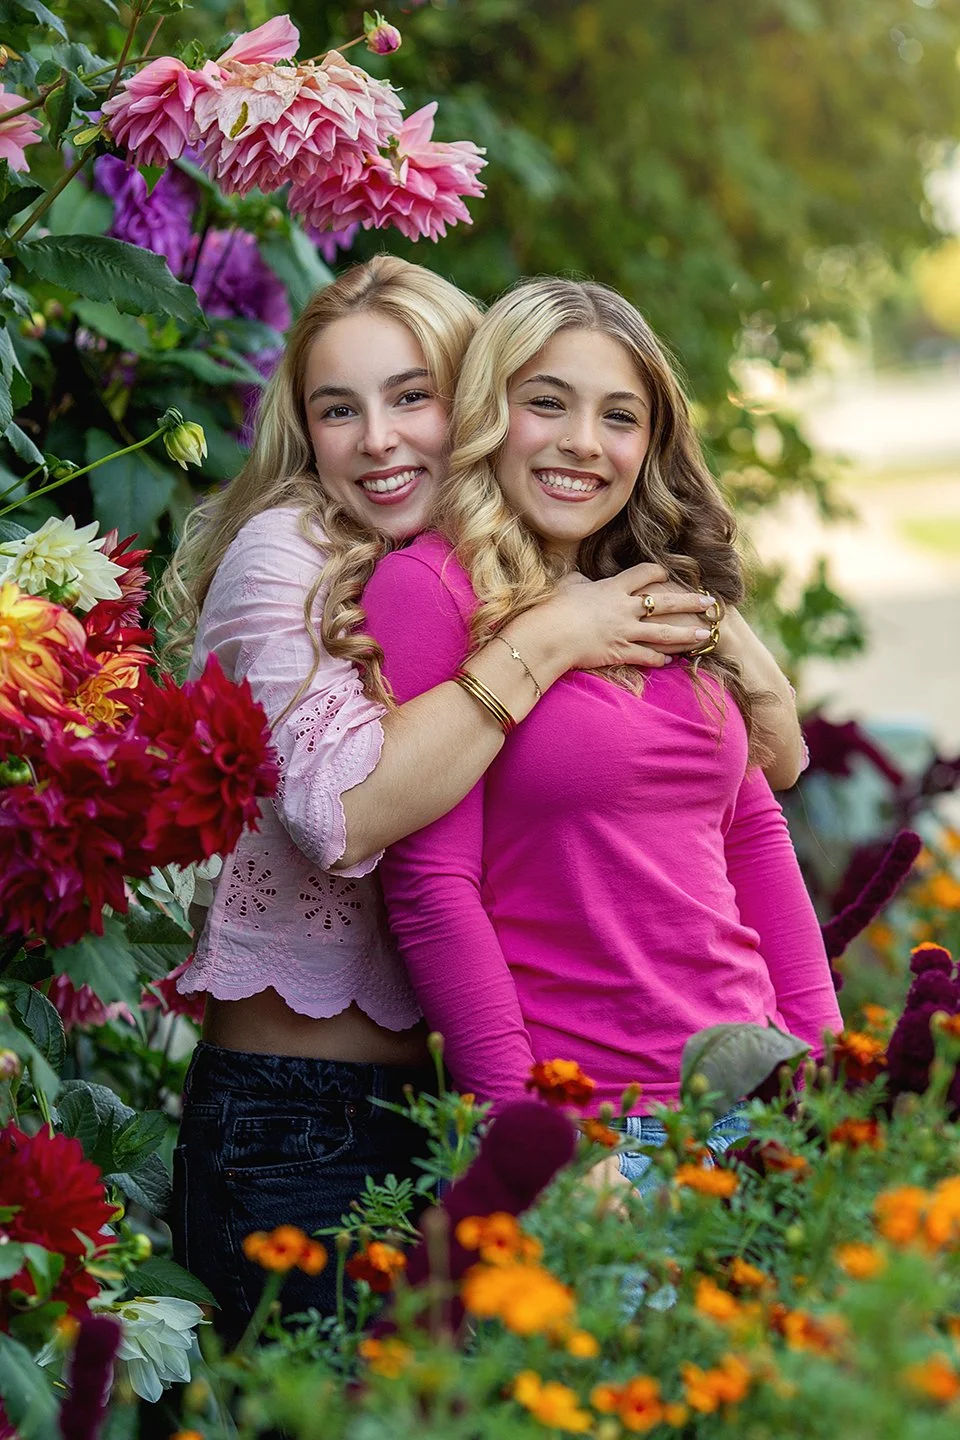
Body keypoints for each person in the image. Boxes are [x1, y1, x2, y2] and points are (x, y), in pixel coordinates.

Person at [160, 257, 729, 1333]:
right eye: (340, 409)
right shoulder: (285, 550)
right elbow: (338, 816)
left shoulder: (491, 567)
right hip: (298, 1123)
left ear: (475, 404)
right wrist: (551, 638)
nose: (379, 440)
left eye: (411, 396)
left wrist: (756, 679)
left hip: (446, 1102)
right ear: (306, 431)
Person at [361, 277, 843, 1194]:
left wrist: (822, 1073)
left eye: (619, 416)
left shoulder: (653, 589)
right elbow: (432, 889)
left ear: (649, 444)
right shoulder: (433, 589)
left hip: (756, 1098)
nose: (584, 441)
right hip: (599, 1129)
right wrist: (525, 1144)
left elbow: (751, 832)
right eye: (548, 403)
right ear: (488, 413)